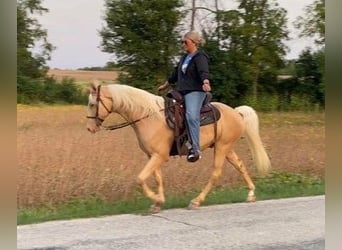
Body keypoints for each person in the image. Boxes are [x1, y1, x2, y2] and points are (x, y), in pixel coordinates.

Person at [158, 31, 211, 162]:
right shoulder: (184, 58)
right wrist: (165, 85)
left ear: (193, 42)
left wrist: (205, 81)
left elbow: (203, 71)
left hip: (195, 91)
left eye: (185, 42)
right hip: (182, 91)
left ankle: (195, 148)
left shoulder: (200, 57)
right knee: (168, 110)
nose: (183, 44)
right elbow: (175, 74)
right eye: (181, 42)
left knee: (191, 115)